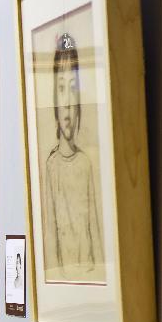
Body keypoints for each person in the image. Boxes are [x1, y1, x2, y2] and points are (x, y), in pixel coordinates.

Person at [41, 32, 104, 281]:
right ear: (54, 101)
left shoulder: (86, 164)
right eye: (61, 89)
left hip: (89, 274)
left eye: (73, 89)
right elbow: (50, 238)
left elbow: (96, 235)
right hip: (64, 279)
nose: (67, 102)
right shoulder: (51, 167)